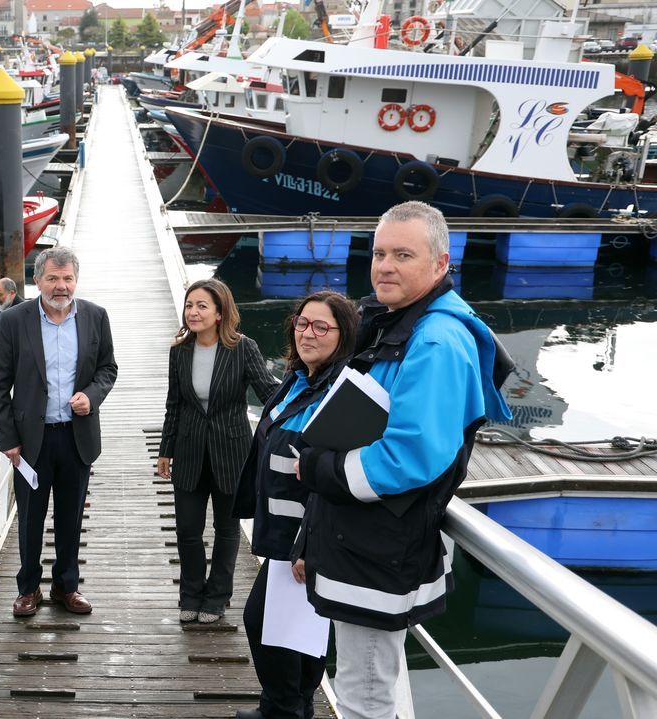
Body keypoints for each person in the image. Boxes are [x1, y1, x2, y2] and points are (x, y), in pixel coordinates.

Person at [293, 202, 511, 719]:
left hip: (378, 552)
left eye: (403, 255)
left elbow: (410, 456)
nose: (385, 266)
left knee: (364, 696)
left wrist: (319, 469)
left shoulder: (435, 341)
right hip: (358, 544)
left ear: (441, 263)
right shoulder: (397, 323)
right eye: (379, 253)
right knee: (360, 685)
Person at [235, 290, 359, 719]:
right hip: (283, 532)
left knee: (264, 622)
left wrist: (309, 545)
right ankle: (294, 705)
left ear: (344, 335)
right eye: (302, 323)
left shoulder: (341, 392)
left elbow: (334, 474)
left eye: (322, 326)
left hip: (307, 536)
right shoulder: (299, 379)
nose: (308, 333)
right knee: (297, 629)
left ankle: (283, 708)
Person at [0, 247, 117, 617]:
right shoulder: (14, 320)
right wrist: (8, 439)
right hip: (32, 440)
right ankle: (28, 589)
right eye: (52, 279)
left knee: (70, 518)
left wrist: (91, 396)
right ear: (37, 280)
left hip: (76, 437)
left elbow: (107, 368)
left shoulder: (95, 316)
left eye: (67, 279)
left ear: (75, 280)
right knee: (31, 519)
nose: (61, 286)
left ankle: (66, 586)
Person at [157, 278, 279, 624]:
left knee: (226, 530)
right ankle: (190, 594)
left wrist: (304, 398)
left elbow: (268, 393)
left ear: (220, 312)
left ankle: (217, 597)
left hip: (232, 453)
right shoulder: (180, 351)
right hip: (189, 451)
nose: (193, 312)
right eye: (189, 305)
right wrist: (166, 450)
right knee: (187, 530)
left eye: (201, 306)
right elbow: (174, 405)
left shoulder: (243, 348)